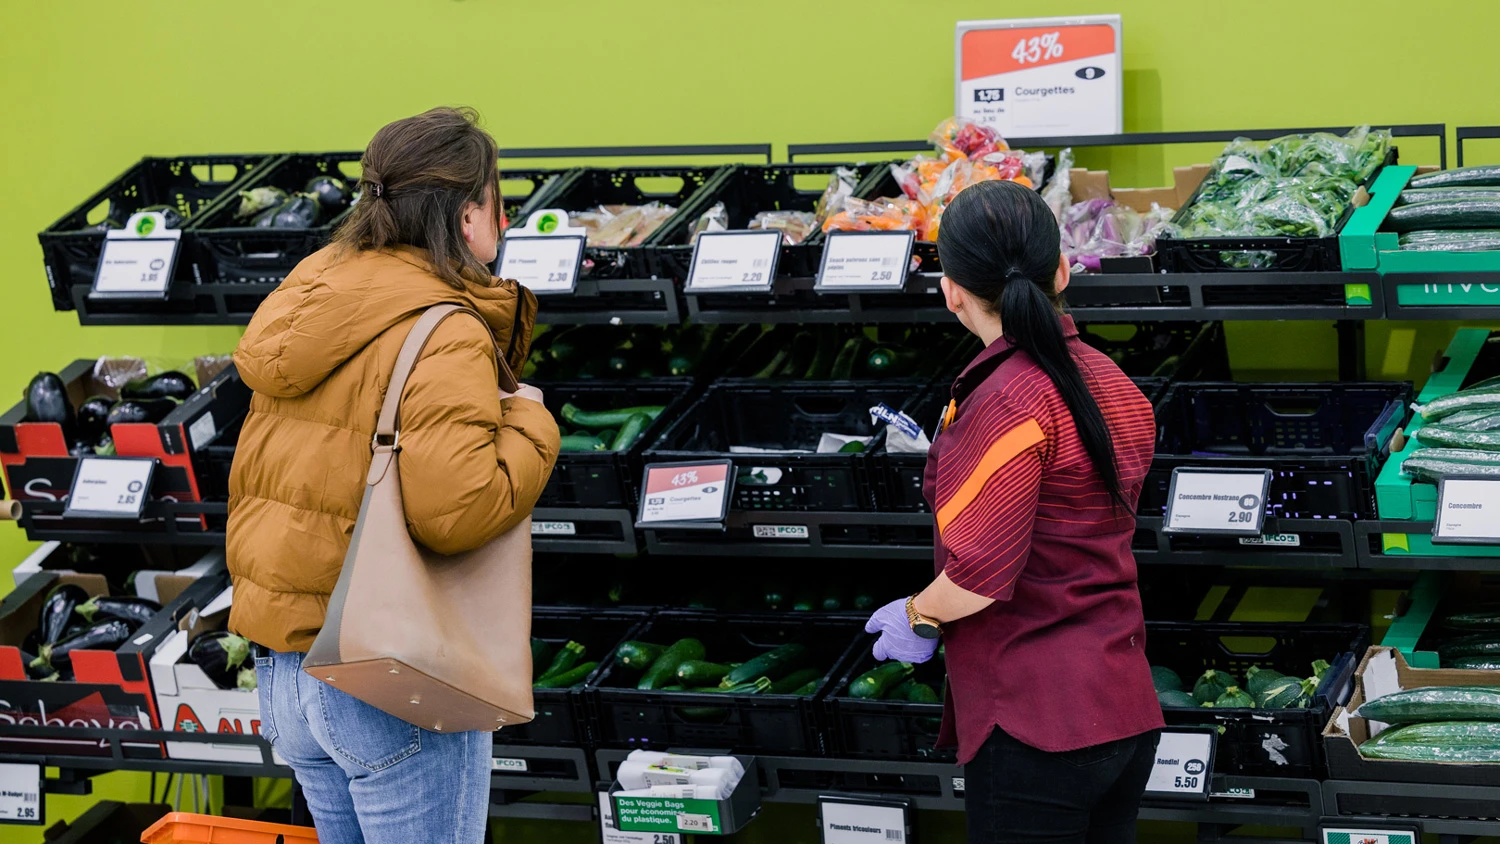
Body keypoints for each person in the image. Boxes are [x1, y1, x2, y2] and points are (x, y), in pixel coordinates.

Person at [226, 107, 560, 844]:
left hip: (287, 671)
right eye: (497, 199)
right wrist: (534, 421)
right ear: (468, 213)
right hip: (387, 675)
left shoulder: (310, 297)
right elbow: (460, 510)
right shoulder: (444, 328)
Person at [864, 179, 1163, 844]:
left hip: (1036, 724)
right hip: (1121, 705)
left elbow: (976, 576)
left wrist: (917, 615)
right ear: (1062, 269)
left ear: (952, 292)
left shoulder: (1005, 402)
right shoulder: (1116, 386)